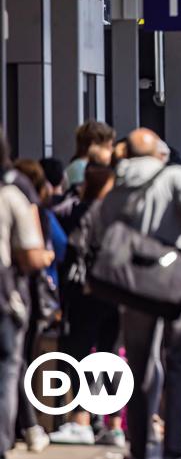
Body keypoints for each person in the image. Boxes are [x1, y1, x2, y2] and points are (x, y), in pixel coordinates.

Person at [92, 128, 181, 459]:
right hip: (177, 280)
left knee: (140, 365)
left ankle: (140, 442)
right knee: (178, 361)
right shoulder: (174, 175)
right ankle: (174, 443)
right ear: (159, 153)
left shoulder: (116, 184)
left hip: (136, 286)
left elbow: (101, 227)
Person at [52, 163, 122, 447]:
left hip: (86, 293)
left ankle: (82, 418)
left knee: (81, 355)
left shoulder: (81, 212)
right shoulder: (119, 215)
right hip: (116, 293)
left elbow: (73, 249)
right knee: (109, 356)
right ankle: (112, 423)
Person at [0, 132, 50, 459]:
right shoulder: (12, 193)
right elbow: (32, 254)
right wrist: (45, 257)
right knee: (6, 370)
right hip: (4, 292)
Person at [64, 120, 116, 189]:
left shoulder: (79, 166)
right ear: (93, 145)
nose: (112, 150)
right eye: (107, 147)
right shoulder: (82, 169)